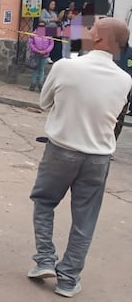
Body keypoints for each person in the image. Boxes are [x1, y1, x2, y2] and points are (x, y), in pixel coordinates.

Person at [27, 17, 132, 298]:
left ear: (97, 39)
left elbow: (44, 102)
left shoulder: (65, 67)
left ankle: (45, 260)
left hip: (61, 150)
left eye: (90, 28)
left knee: (44, 202)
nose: (84, 31)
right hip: (98, 159)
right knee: (85, 219)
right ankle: (69, 279)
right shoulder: (125, 79)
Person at [28, 20, 54, 91]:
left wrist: (46, 51)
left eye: (43, 26)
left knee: (41, 69)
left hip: (44, 55)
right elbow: (30, 43)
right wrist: (37, 50)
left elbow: (51, 44)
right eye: (40, 26)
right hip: (36, 54)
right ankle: (33, 84)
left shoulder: (48, 34)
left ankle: (40, 84)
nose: (41, 27)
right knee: (35, 69)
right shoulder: (34, 34)